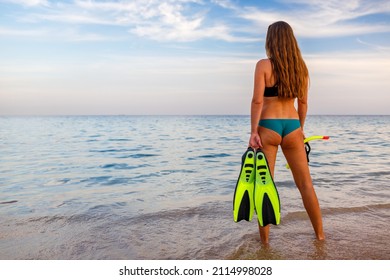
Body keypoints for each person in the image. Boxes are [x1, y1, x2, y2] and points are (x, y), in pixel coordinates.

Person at [248, 21, 325, 244]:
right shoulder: (300, 68)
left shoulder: (263, 65)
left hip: (268, 126)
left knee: (265, 185)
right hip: (292, 127)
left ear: (270, 40)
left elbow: (257, 101)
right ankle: (320, 236)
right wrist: (300, 129)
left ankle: (265, 244)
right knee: (306, 185)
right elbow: (303, 103)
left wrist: (253, 132)